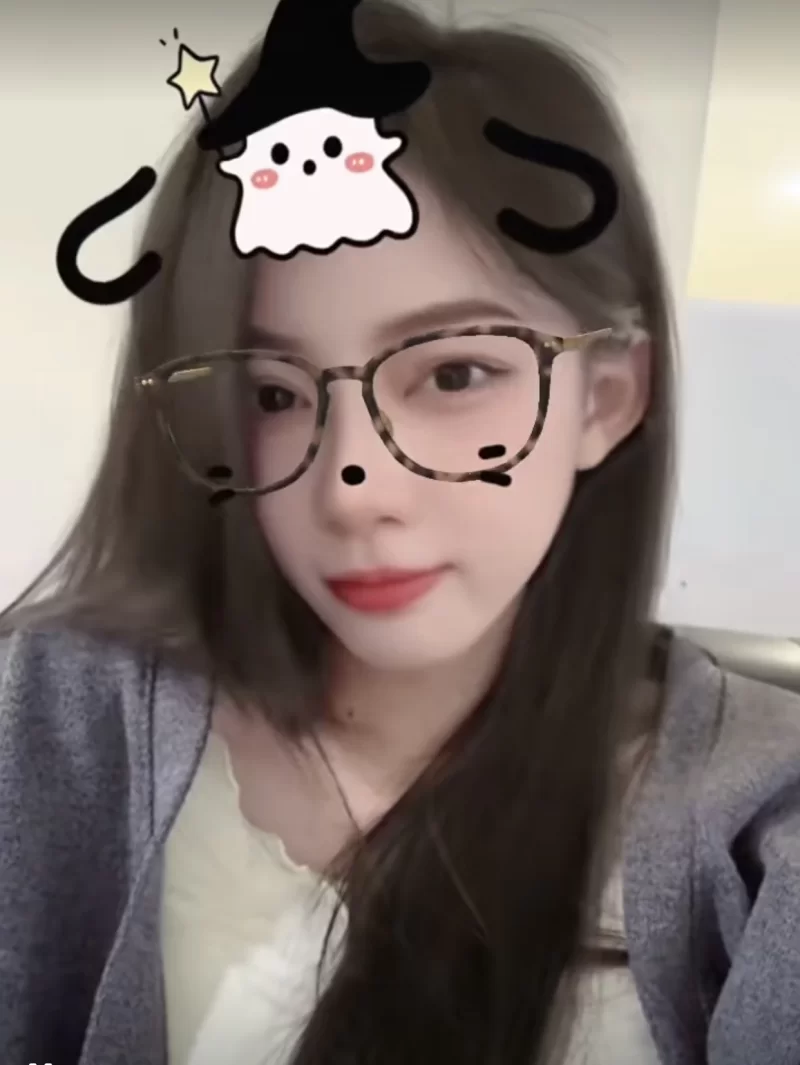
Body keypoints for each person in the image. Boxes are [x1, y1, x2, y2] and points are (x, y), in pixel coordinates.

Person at [2, 3, 799, 1064]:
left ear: (606, 397)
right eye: (272, 393)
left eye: (455, 373)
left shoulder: (756, 829)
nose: (353, 490)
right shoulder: (53, 721)